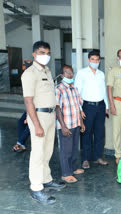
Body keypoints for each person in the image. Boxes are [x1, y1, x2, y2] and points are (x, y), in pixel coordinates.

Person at [21, 41, 65, 205]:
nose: (45, 56)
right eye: (41, 52)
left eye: (47, 53)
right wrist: (37, 124)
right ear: (34, 54)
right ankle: (36, 188)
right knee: (38, 154)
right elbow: (28, 101)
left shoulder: (46, 70)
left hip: (50, 115)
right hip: (38, 117)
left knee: (47, 151)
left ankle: (46, 179)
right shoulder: (30, 73)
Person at [74, 50, 109, 169]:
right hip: (87, 106)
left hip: (100, 106)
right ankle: (85, 159)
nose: (95, 62)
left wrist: (107, 107)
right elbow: (77, 92)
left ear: (99, 61)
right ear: (88, 60)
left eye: (97, 60)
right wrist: (80, 109)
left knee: (99, 133)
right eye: (92, 59)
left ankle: (98, 157)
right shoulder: (82, 73)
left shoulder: (101, 74)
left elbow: (103, 91)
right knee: (86, 133)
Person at [56, 65, 86, 183]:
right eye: (67, 73)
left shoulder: (74, 88)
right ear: (62, 75)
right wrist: (63, 126)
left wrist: (81, 122)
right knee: (66, 150)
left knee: (74, 149)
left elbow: (79, 106)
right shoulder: (59, 89)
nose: (70, 75)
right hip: (66, 125)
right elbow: (57, 108)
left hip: (75, 123)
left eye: (71, 73)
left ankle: (73, 168)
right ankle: (66, 173)